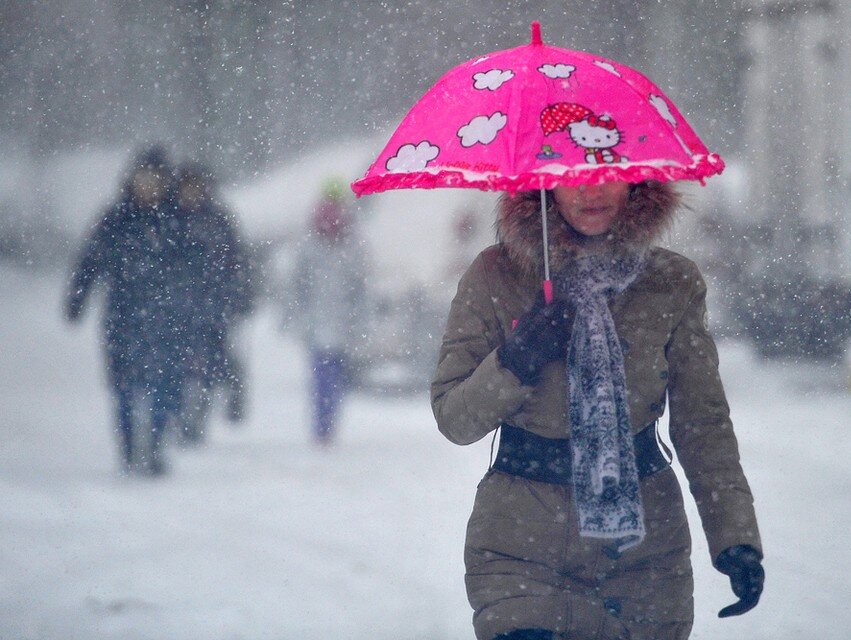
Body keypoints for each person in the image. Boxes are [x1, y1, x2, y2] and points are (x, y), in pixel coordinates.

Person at [431, 181, 764, 640]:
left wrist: (735, 537)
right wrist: (518, 357)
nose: (593, 191)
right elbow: (454, 418)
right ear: (543, 185)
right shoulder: (496, 276)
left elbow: (702, 423)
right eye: (572, 176)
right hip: (520, 548)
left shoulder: (671, 283)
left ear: (637, 181)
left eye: (609, 172)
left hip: (644, 557)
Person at [65, 145, 185, 476]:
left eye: (154, 180)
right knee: (123, 387)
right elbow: (89, 262)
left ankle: (157, 443)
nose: (148, 187)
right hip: (122, 317)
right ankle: (131, 445)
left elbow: (201, 266)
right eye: (142, 179)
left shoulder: (177, 221)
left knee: (164, 384)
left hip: (167, 320)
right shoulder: (115, 219)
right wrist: (77, 298)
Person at [171, 162, 253, 444]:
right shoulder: (170, 219)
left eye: (197, 187)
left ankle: (199, 415)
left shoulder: (218, 220)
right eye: (187, 186)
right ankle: (183, 416)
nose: (192, 192)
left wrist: (240, 296)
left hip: (213, 307)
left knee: (209, 364)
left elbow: (237, 262)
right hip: (177, 309)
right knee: (180, 365)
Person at [283, 179, 369, 445]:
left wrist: (358, 318)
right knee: (322, 375)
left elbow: (361, 286)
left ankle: (327, 422)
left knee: (334, 375)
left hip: (341, 321)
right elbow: (297, 285)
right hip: (317, 321)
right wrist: (299, 315)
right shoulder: (310, 244)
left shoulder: (351, 245)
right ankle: (322, 423)